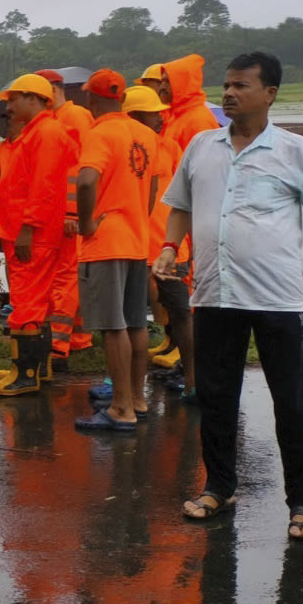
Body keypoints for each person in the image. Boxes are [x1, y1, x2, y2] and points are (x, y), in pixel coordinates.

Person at [158, 52, 303, 539]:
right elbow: (179, 205)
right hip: (215, 295)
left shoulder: (297, 151)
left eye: (240, 86)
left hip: (279, 300)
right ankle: (218, 486)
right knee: (215, 399)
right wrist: (171, 246)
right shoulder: (201, 146)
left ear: (270, 94)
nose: (229, 93)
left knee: (293, 405)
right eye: (226, 85)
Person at [73, 69, 159, 431]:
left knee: (113, 327)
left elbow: (87, 179)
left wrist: (88, 221)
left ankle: (120, 408)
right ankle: (137, 399)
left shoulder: (99, 133)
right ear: (121, 99)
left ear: (91, 100)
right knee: (137, 322)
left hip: (107, 240)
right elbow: (153, 190)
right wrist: (138, 217)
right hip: (137, 239)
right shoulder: (145, 134)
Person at [0, 74, 77, 397]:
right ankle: (39, 368)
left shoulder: (47, 134)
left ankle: (24, 375)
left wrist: (27, 228)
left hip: (32, 235)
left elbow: (44, 187)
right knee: (38, 302)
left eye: (13, 100)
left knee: (26, 302)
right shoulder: (37, 133)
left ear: (33, 98)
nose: (9, 107)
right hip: (27, 232)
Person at [121, 86, 195, 401]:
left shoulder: (169, 147)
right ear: (136, 116)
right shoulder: (127, 146)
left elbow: (186, 195)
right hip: (138, 244)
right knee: (128, 319)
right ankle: (124, 387)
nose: (159, 117)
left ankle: (193, 381)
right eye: (154, 112)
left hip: (167, 246)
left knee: (180, 313)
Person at [37, 68, 94, 358]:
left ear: (53, 88)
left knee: (66, 278)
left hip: (69, 215)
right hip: (62, 213)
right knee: (73, 277)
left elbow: (82, 169)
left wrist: (73, 214)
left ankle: (58, 344)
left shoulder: (75, 117)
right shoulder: (58, 119)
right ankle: (80, 338)